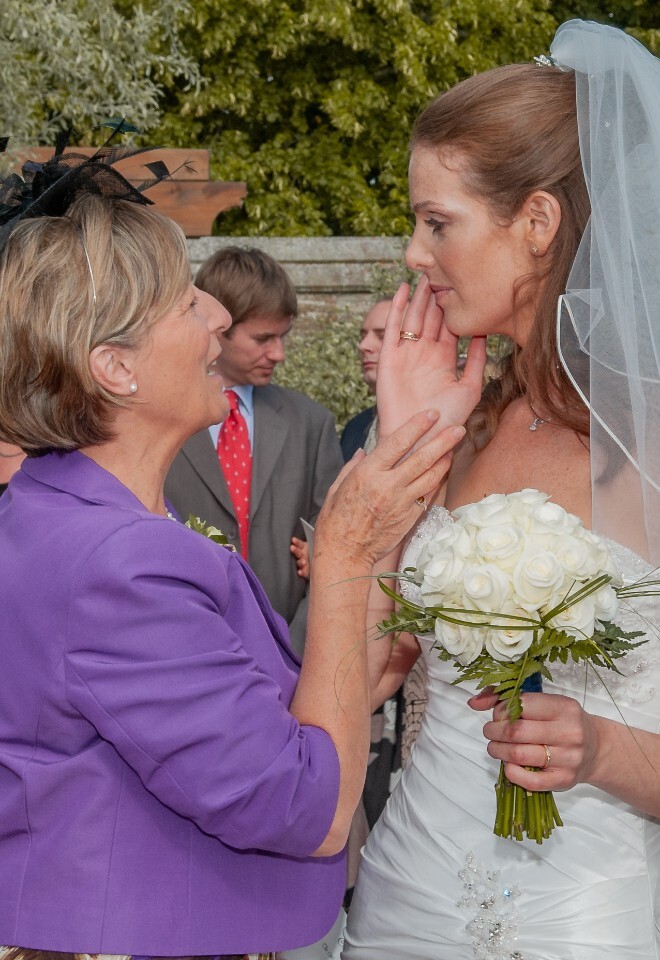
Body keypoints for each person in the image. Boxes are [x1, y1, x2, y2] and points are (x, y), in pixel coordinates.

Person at [0, 150, 467, 959]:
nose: (217, 319)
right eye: (186, 304)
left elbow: (310, 707)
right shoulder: (118, 566)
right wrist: (347, 544)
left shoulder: (58, 510)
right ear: (114, 368)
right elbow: (309, 808)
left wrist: (393, 476)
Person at [343, 20, 660, 960]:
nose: (412, 253)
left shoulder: (647, 449)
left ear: (537, 223)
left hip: (575, 920)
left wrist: (600, 750)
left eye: (437, 222)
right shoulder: (466, 424)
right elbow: (356, 679)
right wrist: (400, 450)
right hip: (402, 894)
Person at [165, 246, 344, 655]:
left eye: (282, 337)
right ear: (218, 329)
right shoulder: (164, 418)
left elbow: (332, 546)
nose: (278, 353)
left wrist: (295, 651)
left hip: (290, 650)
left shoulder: (310, 423)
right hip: (186, 650)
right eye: (263, 338)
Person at [340, 299, 390, 461]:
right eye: (363, 336)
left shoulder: (448, 424)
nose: (363, 345)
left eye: (382, 336)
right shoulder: (354, 429)